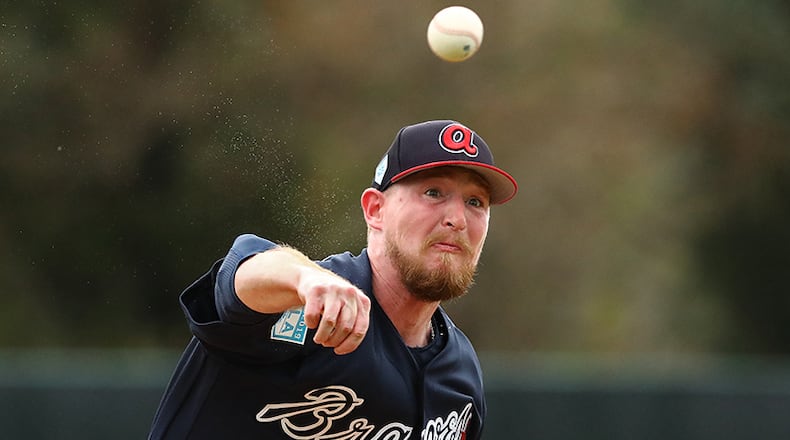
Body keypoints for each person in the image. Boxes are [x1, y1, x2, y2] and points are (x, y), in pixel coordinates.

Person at [148, 119, 518, 440]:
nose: (457, 218)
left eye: (476, 202)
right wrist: (304, 279)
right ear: (376, 210)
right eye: (433, 192)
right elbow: (239, 280)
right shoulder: (310, 300)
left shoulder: (461, 377)